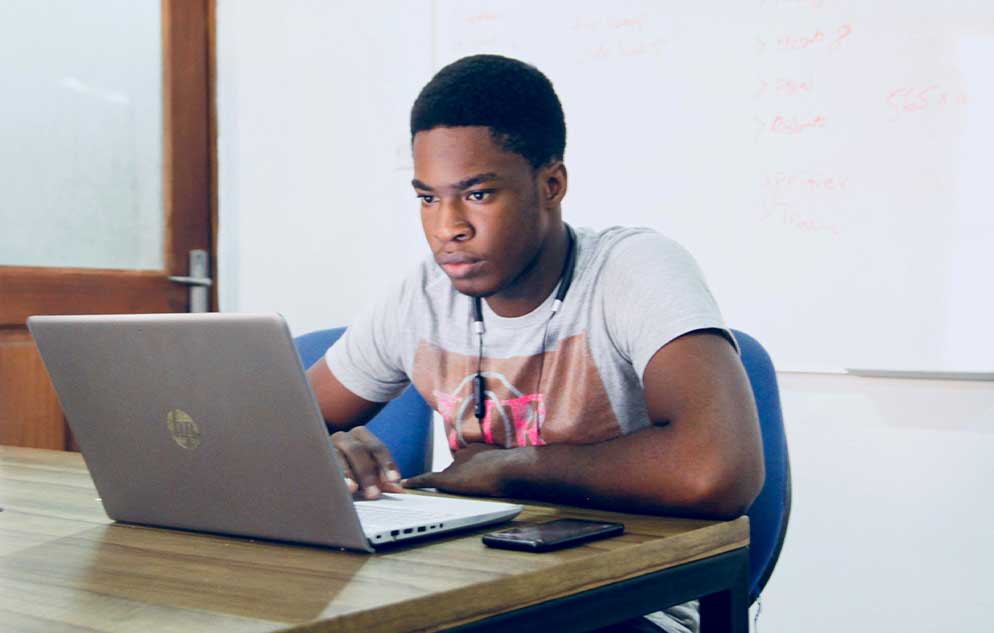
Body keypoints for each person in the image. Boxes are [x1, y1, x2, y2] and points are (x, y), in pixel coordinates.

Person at [307, 54, 764, 633]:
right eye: (427, 198)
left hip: (632, 599)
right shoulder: (421, 294)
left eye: (476, 195)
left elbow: (717, 471)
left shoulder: (634, 270)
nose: (448, 227)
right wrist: (321, 455)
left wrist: (509, 468)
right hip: (476, 589)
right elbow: (274, 428)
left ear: (551, 184)